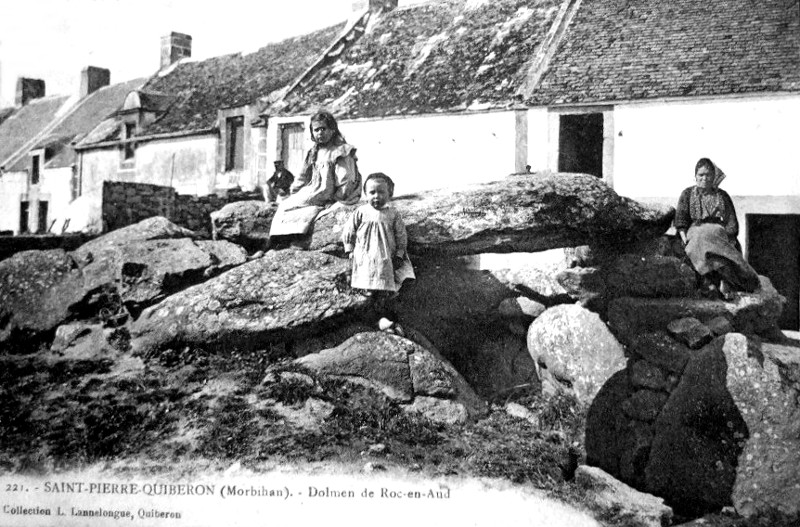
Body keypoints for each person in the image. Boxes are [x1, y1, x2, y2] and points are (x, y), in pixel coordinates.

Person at [674, 158, 759, 300]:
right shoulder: (687, 194)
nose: (704, 178)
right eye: (701, 175)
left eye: (708, 175)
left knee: (724, 255)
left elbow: (731, 222)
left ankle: (726, 283)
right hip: (695, 231)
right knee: (697, 243)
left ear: (713, 177)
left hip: (718, 232)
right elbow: (681, 220)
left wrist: (730, 240)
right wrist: (684, 239)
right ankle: (709, 284)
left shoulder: (722, 195)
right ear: (695, 176)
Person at [269, 111, 361, 236]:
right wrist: (294, 192)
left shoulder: (340, 151)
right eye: (316, 130)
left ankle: (292, 238)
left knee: (295, 207)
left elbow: (346, 180)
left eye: (323, 129)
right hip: (315, 190)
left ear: (332, 130)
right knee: (286, 205)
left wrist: (336, 199)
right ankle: (278, 240)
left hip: (331, 192)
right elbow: (302, 176)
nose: (320, 133)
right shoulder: (314, 151)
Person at [342, 173, 415, 329]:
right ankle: (370, 320)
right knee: (366, 289)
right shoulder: (361, 212)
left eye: (381, 192)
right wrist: (349, 249)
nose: (377, 196)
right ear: (366, 194)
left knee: (384, 290)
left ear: (390, 194)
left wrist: (400, 254)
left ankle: (384, 319)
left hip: (385, 258)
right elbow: (349, 231)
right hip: (365, 258)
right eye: (372, 192)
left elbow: (401, 235)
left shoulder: (393, 214)